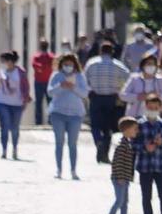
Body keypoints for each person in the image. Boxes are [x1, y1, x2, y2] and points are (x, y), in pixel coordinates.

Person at [83, 41, 130, 164]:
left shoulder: (91, 64)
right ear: (112, 51)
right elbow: (128, 77)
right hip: (111, 98)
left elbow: (84, 79)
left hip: (95, 97)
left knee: (95, 124)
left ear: (100, 51)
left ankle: (98, 141)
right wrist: (120, 90)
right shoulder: (118, 65)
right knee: (107, 127)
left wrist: (89, 90)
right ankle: (104, 153)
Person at [44, 53, 89, 181]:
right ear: (61, 64)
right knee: (59, 142)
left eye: (70, 64)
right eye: (65, 64)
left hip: (75, 114)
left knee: (72, 143)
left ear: (75, 65)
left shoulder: (80, 76)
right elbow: (50, 92)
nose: (68, 66)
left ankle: (73, 170)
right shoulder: (56, 75)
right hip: (58, 112)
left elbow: (84, 93)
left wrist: (73, 87)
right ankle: (59, 169)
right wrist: (61, 86)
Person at [131, 93, 162, 214]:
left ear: (159, 108)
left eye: (155, 107)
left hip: (161, 166)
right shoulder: (139, 124)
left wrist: (161, 143)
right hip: (145, 166)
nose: (153, 109)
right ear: (146, 106)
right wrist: (145, 147)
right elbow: (133, 144)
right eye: (150, 107)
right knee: (146, 196)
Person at [0, 51, 30, 160]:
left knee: (15, 128)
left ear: (11, 61)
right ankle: (4, 150)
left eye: (4, 60)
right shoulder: (0, 72)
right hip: (2, 102)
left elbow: (26, 87)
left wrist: (25, 100)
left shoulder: (20, 72)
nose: (3, 63)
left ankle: (15, 148)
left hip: (17, 103)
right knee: (5, 125)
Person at [105, 117, 138, 214]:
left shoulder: (127, 144)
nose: (136, 131)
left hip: (125, 178)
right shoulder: (121, 146)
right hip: (119, 178)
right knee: (119, 201)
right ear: (127, 129)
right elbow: (117, 163)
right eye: (134, 129)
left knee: (124, 202)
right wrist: (120, 177)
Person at [29, 40, 54, 126]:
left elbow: (53, 65)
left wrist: (42, 68)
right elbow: (34, 64)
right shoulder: (37, 56)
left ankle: (51, 120)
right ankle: (38, 121)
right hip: (39, 82)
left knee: (50, 102)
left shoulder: (51, 56)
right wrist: (45, 67)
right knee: (38, 102)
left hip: (48, 82)